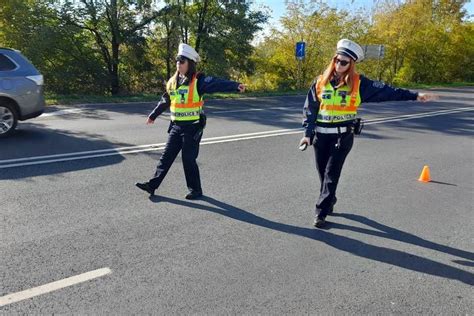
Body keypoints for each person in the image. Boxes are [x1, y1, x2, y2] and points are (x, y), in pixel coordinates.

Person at [300, 39, 438, 228]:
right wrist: (307, 134)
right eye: (337, 60)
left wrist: (414, 96)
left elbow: (388, 92)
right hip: (321, 136)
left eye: (344, 62)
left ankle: (320, 212)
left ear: (351, 65)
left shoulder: (359, 84)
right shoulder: (320, 81)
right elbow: (311, 109)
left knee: (332, 174)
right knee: (322, 173)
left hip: (342, 137)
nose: (339, 65)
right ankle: (329, 199)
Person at [136, 43, 245, 200]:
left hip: (192, 128)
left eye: (182, 61)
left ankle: (196, 190)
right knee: (165, 157)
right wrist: (153, 115)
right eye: (177, 61)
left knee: (188, 159)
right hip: (176, 127)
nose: (178, 64)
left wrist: (235, 86)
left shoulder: (198, 81)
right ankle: (152, 185)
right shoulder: (173, 81)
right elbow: (165, 100)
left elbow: (216, 83)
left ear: (190, 63)